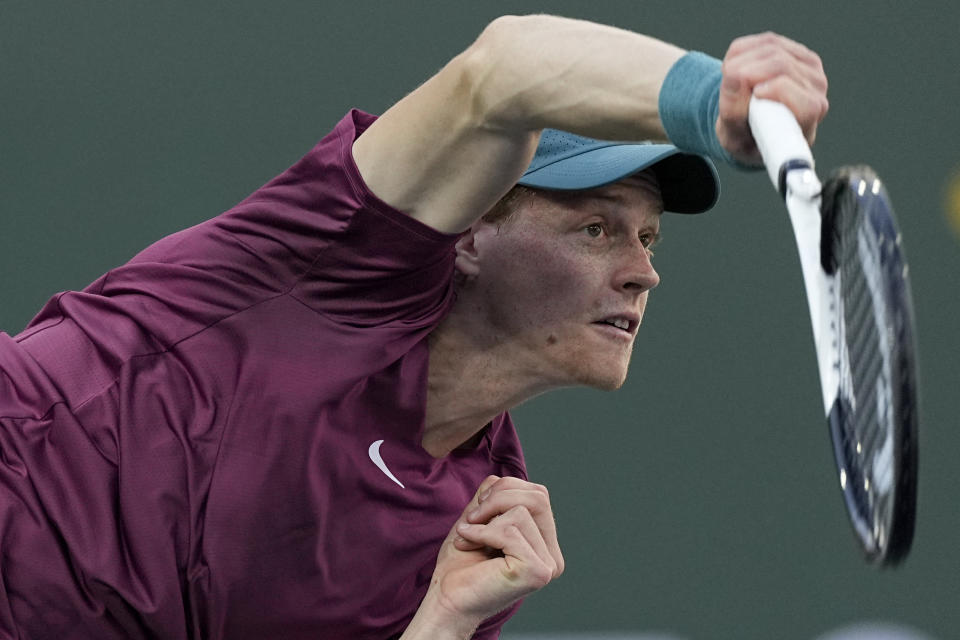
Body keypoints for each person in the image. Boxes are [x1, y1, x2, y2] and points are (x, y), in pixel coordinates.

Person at [0, 14, 828, 640]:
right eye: (597, 228)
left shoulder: (474, 535)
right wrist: (703, 96)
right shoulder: (336, 264)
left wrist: (443, 622)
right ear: (467, 230)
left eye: (647, 238)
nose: (643, 271)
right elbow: (504, 67)